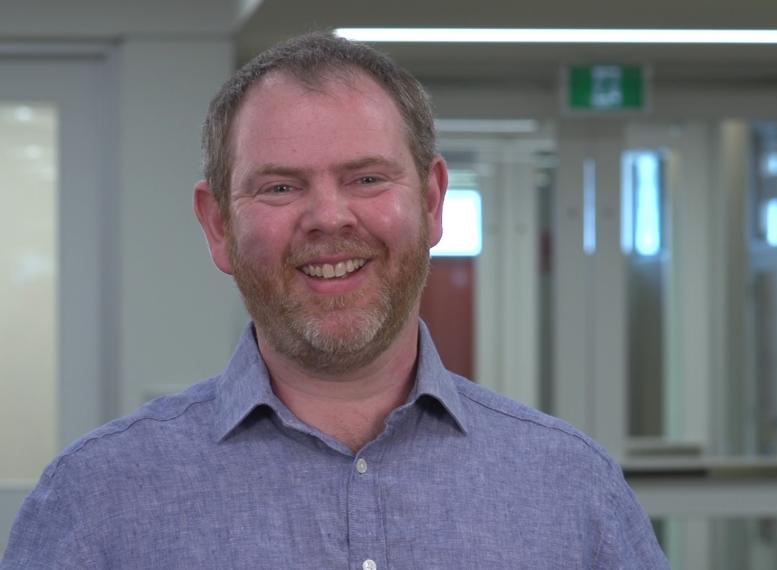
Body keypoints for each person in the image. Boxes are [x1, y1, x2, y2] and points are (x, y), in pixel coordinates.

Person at [1, 32, 668, 569]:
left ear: (433, 202)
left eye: (367, 178)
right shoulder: (95, 504)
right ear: (218, 226)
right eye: (280, 188)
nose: (328, 217)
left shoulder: (571, 491)